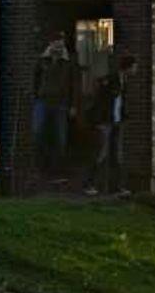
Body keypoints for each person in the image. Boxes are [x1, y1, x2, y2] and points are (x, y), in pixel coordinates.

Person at [29, 34, 76, 181]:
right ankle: (39, 169)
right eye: (56, 44)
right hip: (43, 101)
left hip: (60, 103)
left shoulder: (68, 63)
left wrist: (72, 104)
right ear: (51, 44)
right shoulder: (42, 61)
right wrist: (36, 96)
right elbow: (35, 80)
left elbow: (73, 85)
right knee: (38, 134)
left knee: (60, 137)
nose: (59, 47)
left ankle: (58, 171)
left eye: (61, 44)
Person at [87, 54, 133, 196]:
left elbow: (120, 102)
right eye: (134, 67)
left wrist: (123, 116)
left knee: (116, 155)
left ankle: (117, 187)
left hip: (116, 121)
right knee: (102, 153)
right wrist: (99, 120)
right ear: (128, 67)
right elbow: (101, 101)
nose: (135, 70)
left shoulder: (124, 81)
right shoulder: (112, 80)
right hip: (106, 121)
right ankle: (91, 184)